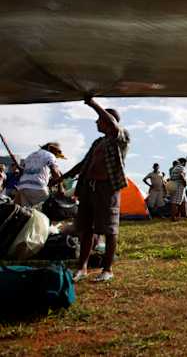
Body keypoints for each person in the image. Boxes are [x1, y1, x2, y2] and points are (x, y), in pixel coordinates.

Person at [56, 98, 129, 283]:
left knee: (109, 229)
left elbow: (113, 127)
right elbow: (83, 164)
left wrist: (92, 103)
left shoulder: (120, 137)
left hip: (107, 189)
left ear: (108, 120)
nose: (96, 122)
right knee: (86, 228)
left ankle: (107, 269)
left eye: (100, 119)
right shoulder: (99, 142)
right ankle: (82, 267)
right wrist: (62, 177)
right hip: (89, 187)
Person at [16, 142, 65, 207]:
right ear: (51, 149)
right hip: (38, 190)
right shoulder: (50, 155)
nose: (56, 156)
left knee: (26, 213)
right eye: (56, 153)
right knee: (48, 208)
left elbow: (21, 173)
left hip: (22, 188)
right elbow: (56, 174)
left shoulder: (30, 156)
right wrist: (61, 188)